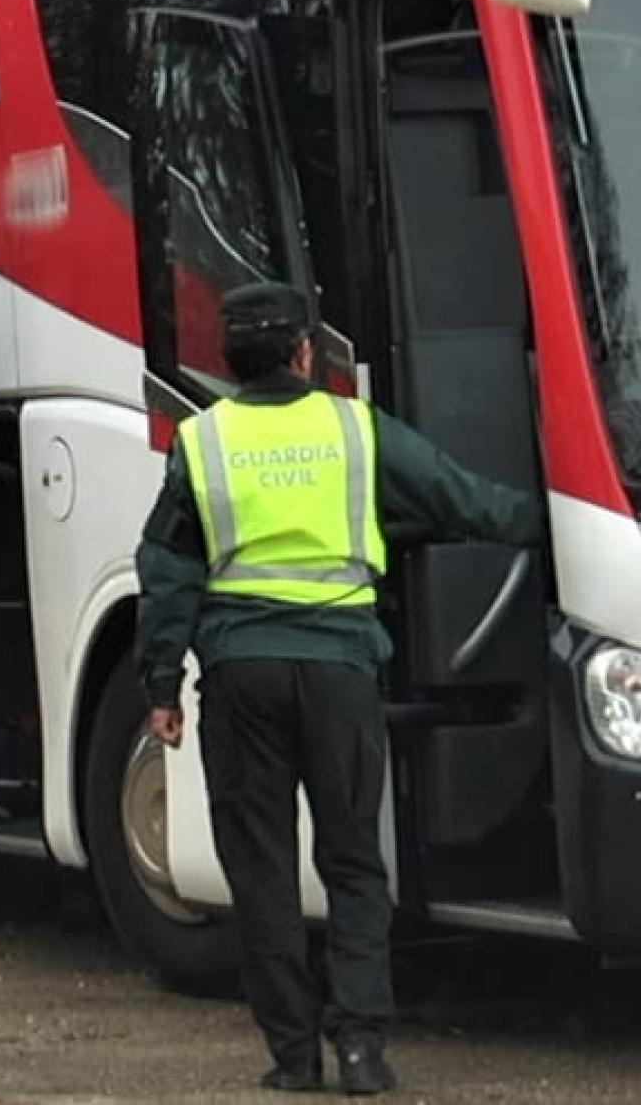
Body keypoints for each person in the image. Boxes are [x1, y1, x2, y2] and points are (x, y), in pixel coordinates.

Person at [135, 284, 542, 1096]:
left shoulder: (203, 441)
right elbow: (460, 496)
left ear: (232, 361)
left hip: (240, 674)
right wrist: (558, 519)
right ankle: (362, 1050)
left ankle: (292, 1057)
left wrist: (161, 685)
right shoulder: (354, 429)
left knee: (262, 871)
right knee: (353, 862)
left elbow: (168, 571)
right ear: (305, 355)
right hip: (339, 674)